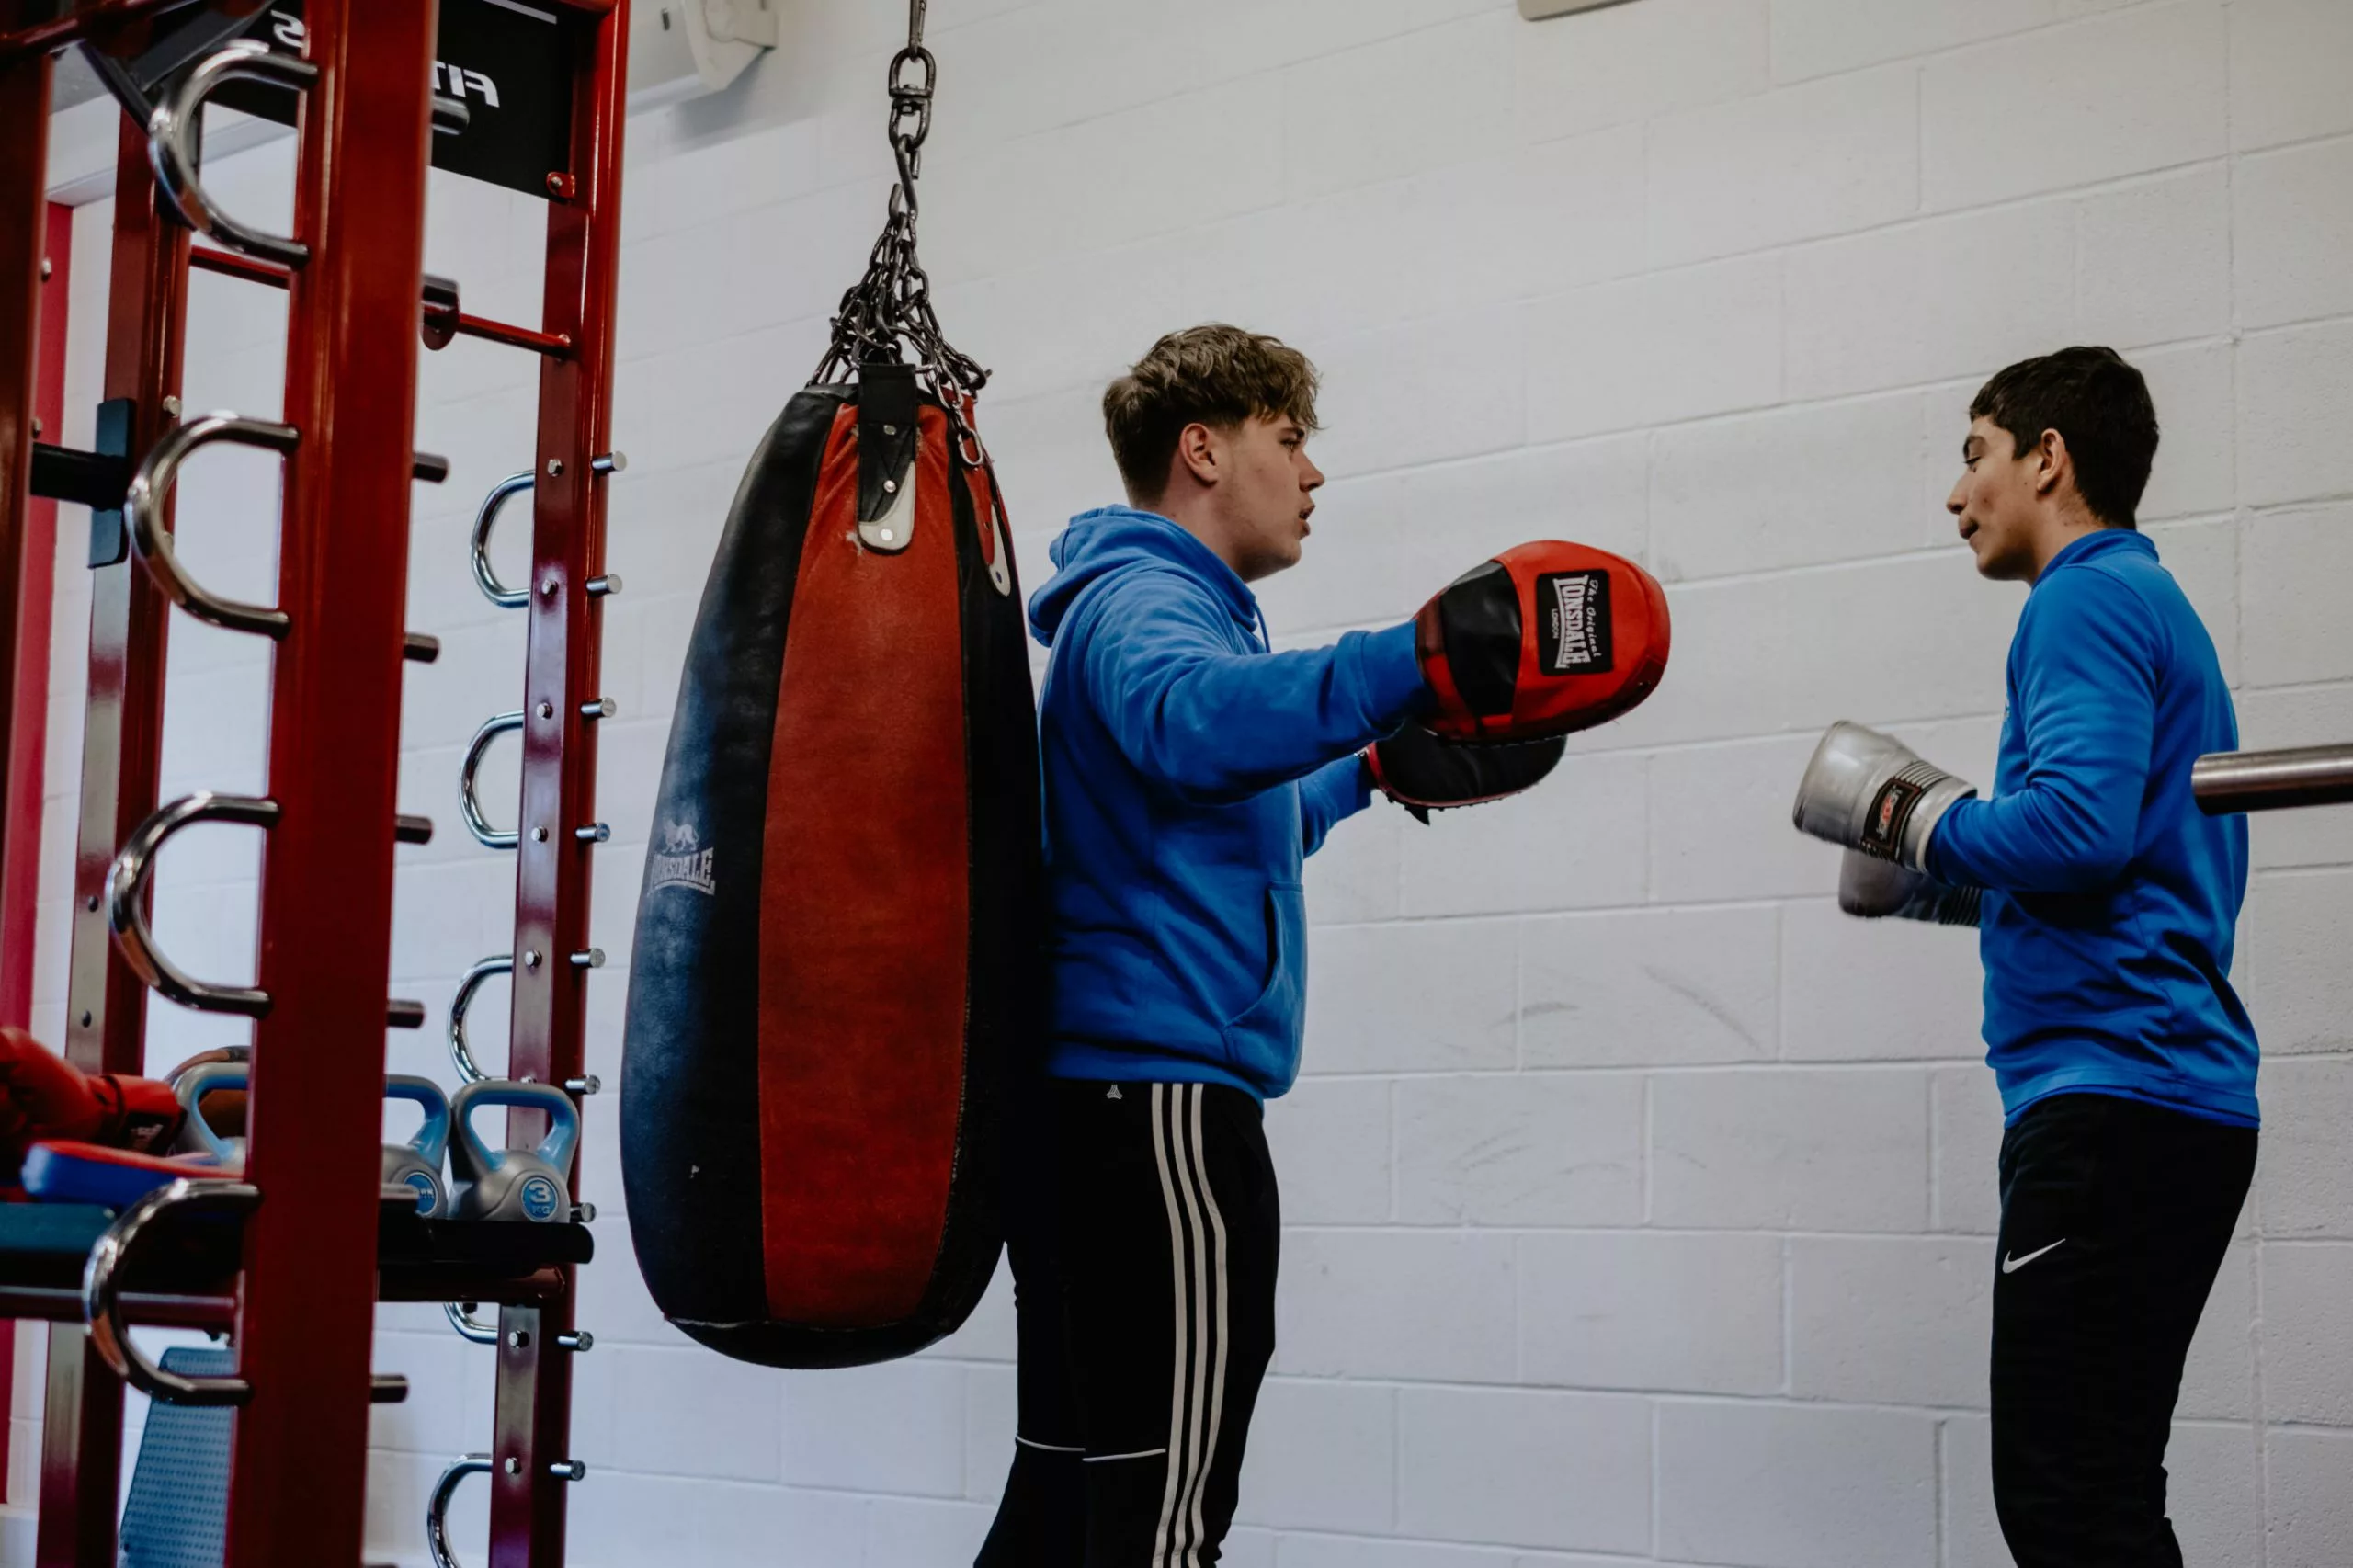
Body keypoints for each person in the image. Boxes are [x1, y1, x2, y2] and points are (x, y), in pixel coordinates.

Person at [977, 324, 1664, 1566]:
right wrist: (1412, 659)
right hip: (1160, 1115)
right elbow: (1195, 727)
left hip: (1106, 1111)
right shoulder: (1146, 605)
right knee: (1163, 1523)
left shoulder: (1167, 617)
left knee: (1069, 1504)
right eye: (1288, 440)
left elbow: (1234, 800)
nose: (1312, 474)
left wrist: (1371, 769)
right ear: (1201, 449)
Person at [1793, 346, 2256, 1568]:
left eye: (1974, 454)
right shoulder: (2153, 608)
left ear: (2049, 457)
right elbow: (2116, 868)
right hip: (2159, 1104)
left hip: (2116, 1103)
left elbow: (2079, 831)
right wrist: (1932, 885)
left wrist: (1911, 815)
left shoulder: (2084, 596)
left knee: (2064, 1509)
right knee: (2100, 1499)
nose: (1958, 495)